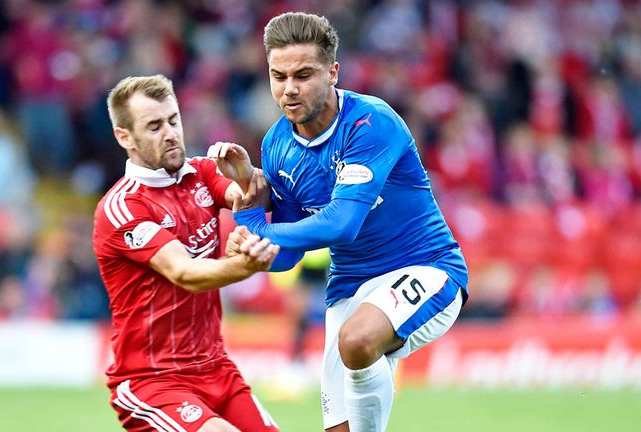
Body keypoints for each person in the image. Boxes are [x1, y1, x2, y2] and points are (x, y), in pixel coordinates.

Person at [209, 12, 469, 432]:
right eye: (279, 76)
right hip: (349, 287)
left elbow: (341, 224)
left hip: (428, 267)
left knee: (358, 340)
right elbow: (287, 258)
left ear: (332, 72)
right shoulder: (277, 144)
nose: (289, 89)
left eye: (303, 74)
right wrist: (249, 214)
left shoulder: (370, 122)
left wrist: (260, 231)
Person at [92, 75, 281, 432]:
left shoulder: (202, 173)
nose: (170, 133)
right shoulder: (123, 208)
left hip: (216, 368)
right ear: (124, 137)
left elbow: (257, 200)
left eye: (173, 120)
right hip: (152, 380)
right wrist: (245, 265)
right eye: (154, 126)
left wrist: (246, 178)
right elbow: (185, 273)